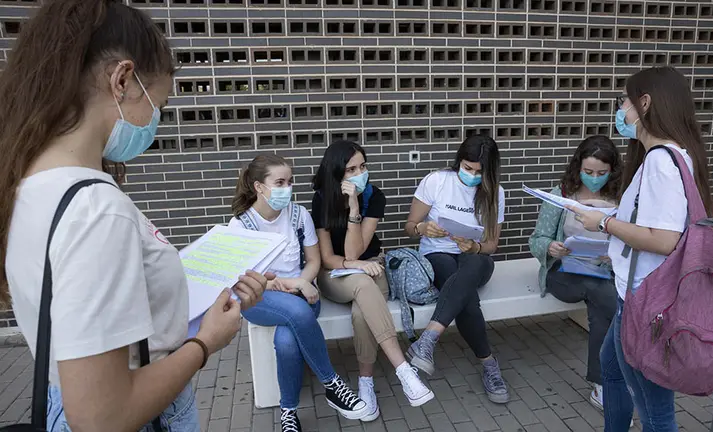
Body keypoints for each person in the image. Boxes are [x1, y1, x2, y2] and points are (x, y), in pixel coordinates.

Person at [0, 1, 268, 431]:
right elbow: (102, 416)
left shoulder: (30, 186)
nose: (153, 121)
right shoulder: (96, 210)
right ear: (123, 80)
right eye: (157, 102)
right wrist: (205, 343)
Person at [569, 66, 713, 432]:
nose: (621, 109)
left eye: (625, 100)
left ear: (644, 103)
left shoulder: (660, 162)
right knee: (611, 368)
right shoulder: (676, 155)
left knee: (655, 412)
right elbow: (656, 219)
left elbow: (664, 240)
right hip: (639, 295)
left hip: (645, 300)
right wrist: (611, 213)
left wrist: (603, 223)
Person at [230, 155, 368, 431]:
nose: (287, 188)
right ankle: (331, 382)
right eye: (279, 182)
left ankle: (288, 412)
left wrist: (304, 281)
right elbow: (243, 280)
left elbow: (314, 261)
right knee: (297, 310)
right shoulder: (241, 226)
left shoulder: (299, 215)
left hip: (304, 293)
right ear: (259, 186)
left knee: (287, 341)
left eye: (290, 181)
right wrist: (295, 285)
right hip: (260, 298)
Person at [312, 140, 434, 417]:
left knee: (360, 313)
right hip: (335, 273)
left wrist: (355, 207)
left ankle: (365, 383)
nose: (359, 173)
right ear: (336, 173)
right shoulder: (322, 199)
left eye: (363, 166)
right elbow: (329, 256)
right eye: (351, 169)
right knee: (363, 283)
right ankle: (404, 371)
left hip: (371, 266)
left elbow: (358, 248)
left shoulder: (373, 196)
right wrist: (355, 265)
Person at [404, 135, 509, 404]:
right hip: (437, 253)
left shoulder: (495, 192)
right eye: (467, 168)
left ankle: (427, 339)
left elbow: (491, 245)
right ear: (458, 162)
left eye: (479, 172)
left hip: (475, 257)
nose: (472, 175)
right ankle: (489, 364)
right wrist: (423, 228)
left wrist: (474, 246)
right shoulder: (437, 181)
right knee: (464, 296)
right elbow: (410, 225)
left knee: (469, 270)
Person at [528, 135, 621, 410]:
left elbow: (630, 241)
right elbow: (537, 239)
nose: (594, 178)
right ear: (577, 168)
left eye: (601, 173)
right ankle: (617, 375)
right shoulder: (562, 194)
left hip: (602, 271)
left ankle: (603, 383)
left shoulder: (621, 196)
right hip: (564, 273)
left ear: (612, 171)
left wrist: (613, 254)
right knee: (607, 298)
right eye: (588, 172)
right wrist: (551, 247)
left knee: (600, 306)